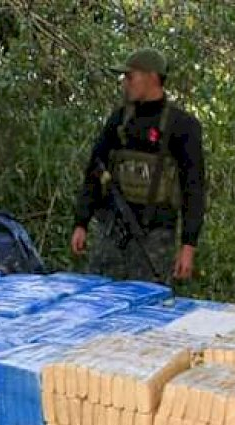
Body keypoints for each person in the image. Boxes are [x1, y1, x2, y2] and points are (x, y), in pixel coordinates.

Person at [71, 48, 206, 283]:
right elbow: (95, 170)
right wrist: (81, 222)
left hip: (154, 237)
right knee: (98, 300)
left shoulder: (182, 125)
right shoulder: (120, 120)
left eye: (130, 76)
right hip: (112, 231)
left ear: (152, 77)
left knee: (146, 307)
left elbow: (193, 188)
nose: (125, 83)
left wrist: (188, 246)